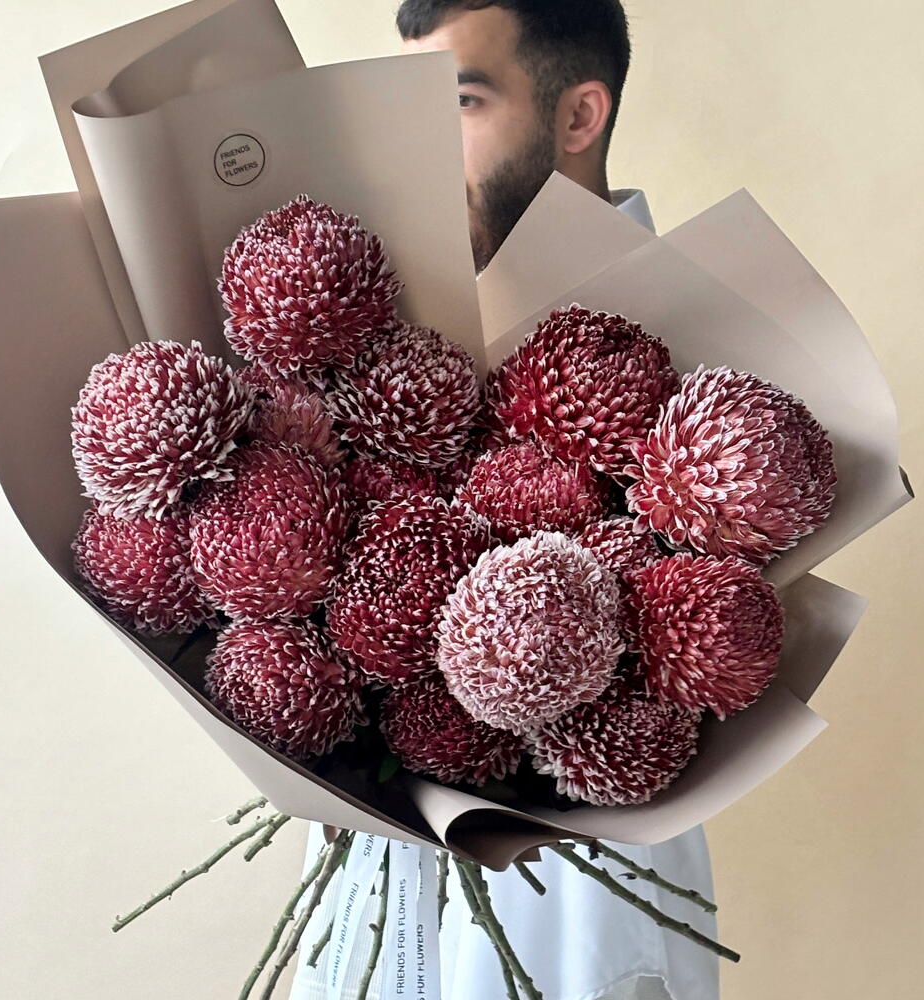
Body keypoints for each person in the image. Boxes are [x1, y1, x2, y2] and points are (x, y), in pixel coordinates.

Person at [289, 3, 719, 998]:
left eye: (461, 103)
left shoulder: (706, 373)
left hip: (579, 891)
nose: (416, 147)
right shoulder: (382, 324)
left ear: (579, 116)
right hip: (377, 888)